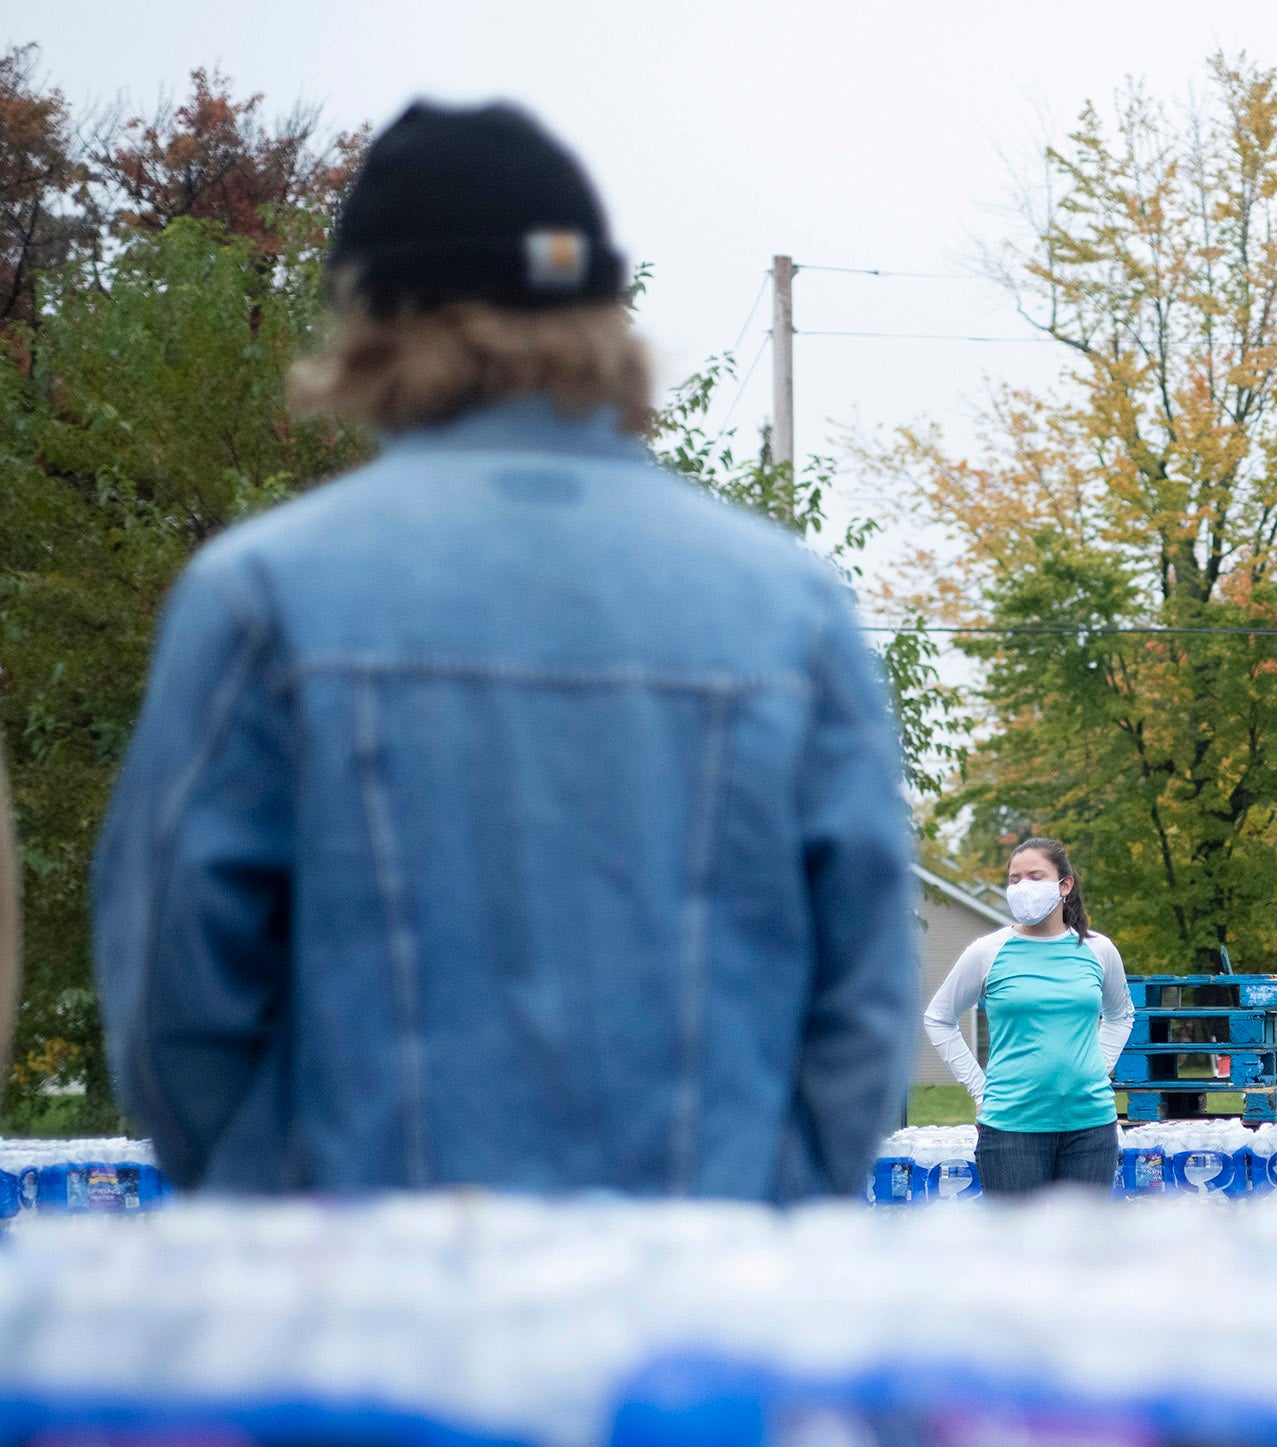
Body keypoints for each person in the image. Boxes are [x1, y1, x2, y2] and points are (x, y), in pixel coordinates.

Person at [92, 101, 913, 1195]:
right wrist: (766, 1210)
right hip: (708, 1315)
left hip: (360, 1313)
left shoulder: (258, 599)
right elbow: (864, 997)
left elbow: (173, 1009)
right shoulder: (792, 606)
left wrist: (283, 1208)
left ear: (368, 321)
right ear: (600, 319)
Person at [923, 836, 1133, 1198]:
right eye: (1014, 879)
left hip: (1091, 1128)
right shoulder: (987, 951)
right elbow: (938, 1018)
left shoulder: (1098, 949)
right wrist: (979, 1088)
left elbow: (1121, 1015)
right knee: (1016, 1252)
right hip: (1010, 1129)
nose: (1023, 887)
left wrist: (1098, 1067)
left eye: (1035, 877)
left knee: (1083, 1251)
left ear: (1064, 885)